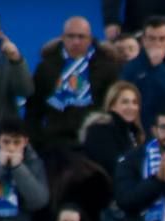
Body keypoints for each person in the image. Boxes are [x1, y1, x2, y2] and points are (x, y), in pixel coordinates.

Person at [27, 17, 122, 152]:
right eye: (70, 36)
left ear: (90, 39)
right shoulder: (46, 67)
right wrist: (38, 143)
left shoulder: (107, 67)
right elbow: (33, 111)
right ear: (62, 38)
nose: (75, 42)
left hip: (94, 143)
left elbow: (114, 109)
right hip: (54, 144)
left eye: (81, 37)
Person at [119, 17, 165, 128]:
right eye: (152, 39)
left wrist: (158, 67)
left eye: (162, 39)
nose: (157, 44)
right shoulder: (131, 67)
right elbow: (121, 102)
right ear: (143, 40)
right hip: (140, 132)